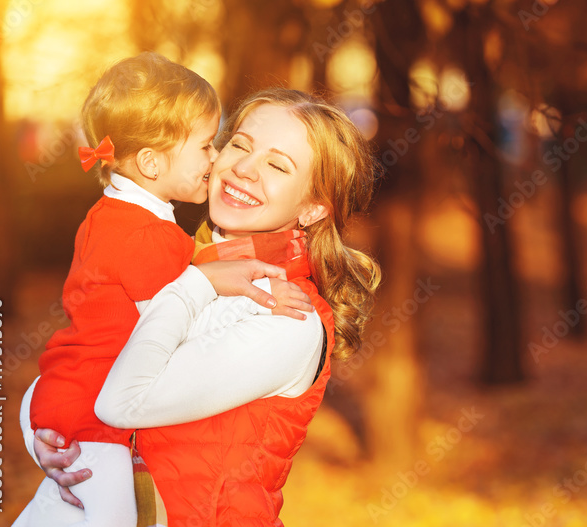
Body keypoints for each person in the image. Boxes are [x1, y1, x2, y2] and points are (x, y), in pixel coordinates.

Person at [28, 88, 381, 525]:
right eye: (240, 145)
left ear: (311, 209)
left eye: (276, 165)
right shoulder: (175, 264)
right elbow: (88, 356)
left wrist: (197, 284)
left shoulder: (288, 318)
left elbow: (120, 402)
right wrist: (44, 431)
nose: (244, 170)